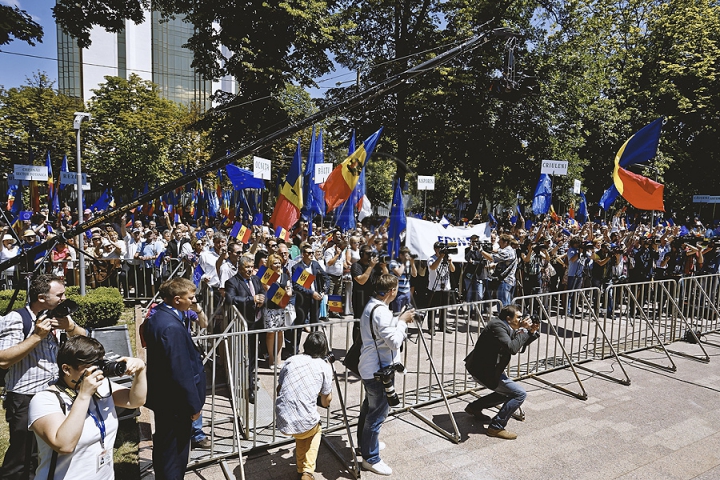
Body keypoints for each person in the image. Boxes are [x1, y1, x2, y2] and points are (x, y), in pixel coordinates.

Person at [0, 274, 87, 480]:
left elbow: (86, 340)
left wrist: (70, 327)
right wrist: (36, 337)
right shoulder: (16, 319)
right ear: (41, 297)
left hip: (54, 395)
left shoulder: (58, 315)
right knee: (23, 456)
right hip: (25, 397)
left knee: (47, 452)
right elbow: (3, 359)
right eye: (59, 294)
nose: (64, 298)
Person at [28, 336, 147, 479]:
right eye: (91, 367)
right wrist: (84, 395)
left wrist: (140, 370)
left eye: (100, 364)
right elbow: (64, 445)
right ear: (66, 369)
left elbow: (134, 400)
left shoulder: (102, 387)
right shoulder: (45, 400)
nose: (98, 372)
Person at [143, 277, 206, 480]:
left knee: (165, 448)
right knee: (174, 455)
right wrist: (194, 406)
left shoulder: (159, 316)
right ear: (177, 300)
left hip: (165, 399)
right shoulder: (171, 327)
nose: (193, 301)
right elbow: (181, 371)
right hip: (175, 403)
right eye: (191, 298)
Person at [357, 274, 415, 476]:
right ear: (391, 291)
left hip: (372, 367)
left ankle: (365, 445)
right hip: (377, 371)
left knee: (368, 409)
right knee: (377, 414)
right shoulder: (380, 311)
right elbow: (394, 342)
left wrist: (398, 319)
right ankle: (370, 458)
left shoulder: (373, 305)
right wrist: (403, 322)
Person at [464, 304, 540, 440]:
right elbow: (512, 348)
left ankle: (475, 407)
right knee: (519, 394)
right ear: (508, 318)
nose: (521, 320)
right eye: (518, 317)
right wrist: (523, 329)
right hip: (483, 371)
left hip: (490, 369)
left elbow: (517, 344)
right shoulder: (497, 327)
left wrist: (531, 332)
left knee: (508, 393)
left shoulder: (506, 326)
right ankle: (496, 427)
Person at [275, 332, 333, 480]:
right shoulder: (324, 366)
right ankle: (308, 470)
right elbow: (327, 401)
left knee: (302, 433)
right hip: (304, 421)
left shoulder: (291, 360)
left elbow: (279, 389)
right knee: (315, 429)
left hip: (283, 419)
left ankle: (301, 469)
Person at [224, 256, 266, 403]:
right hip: (241, 325)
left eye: (251, 267)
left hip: (256, 322)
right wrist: (251, 300)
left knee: (253, 355)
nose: (250, 270)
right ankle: (243, 385)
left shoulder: (255, 279)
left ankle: (251, 381)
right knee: (243, 356)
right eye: (247, 267)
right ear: (240, 267)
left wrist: (262, 299)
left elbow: (262, 293)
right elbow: (230, 299)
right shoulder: (232, 282)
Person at [262, 253, 294, 369]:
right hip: (270, 308)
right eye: (275, 263)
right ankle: (271, 358)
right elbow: (268, 291)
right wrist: (283, 293)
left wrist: (283, 294)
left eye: (279, 263)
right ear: (270, 264)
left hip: (282, 308)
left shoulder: (285, 276)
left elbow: (290, 291)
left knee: (280, 333)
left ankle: (279, 358)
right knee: (271, 333)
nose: (278, 265)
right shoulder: (267, 275)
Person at [427, 241, 457, 333]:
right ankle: (431, 327)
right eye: (439, 248)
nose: (441, 250)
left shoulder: (447, 258)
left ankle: (442, 326)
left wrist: (450, 262)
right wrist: (440, 257)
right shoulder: (431, 258)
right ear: (436, 249)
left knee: (444, 308)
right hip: (434, 287)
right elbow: (433, 267)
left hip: (446, 287)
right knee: (433, 309)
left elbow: (453, 270)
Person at [481, 234, 517, 307]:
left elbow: (491, 258)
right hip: (506, 281)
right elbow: (497, 251)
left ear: (505, 242)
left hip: (505, 281)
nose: (498, 243)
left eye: (500, 241)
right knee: (506, 304)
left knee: (503, 305)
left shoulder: (508, 252)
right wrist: (487, 248)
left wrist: (481, 251)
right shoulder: (507, 250)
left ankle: (504, 318)